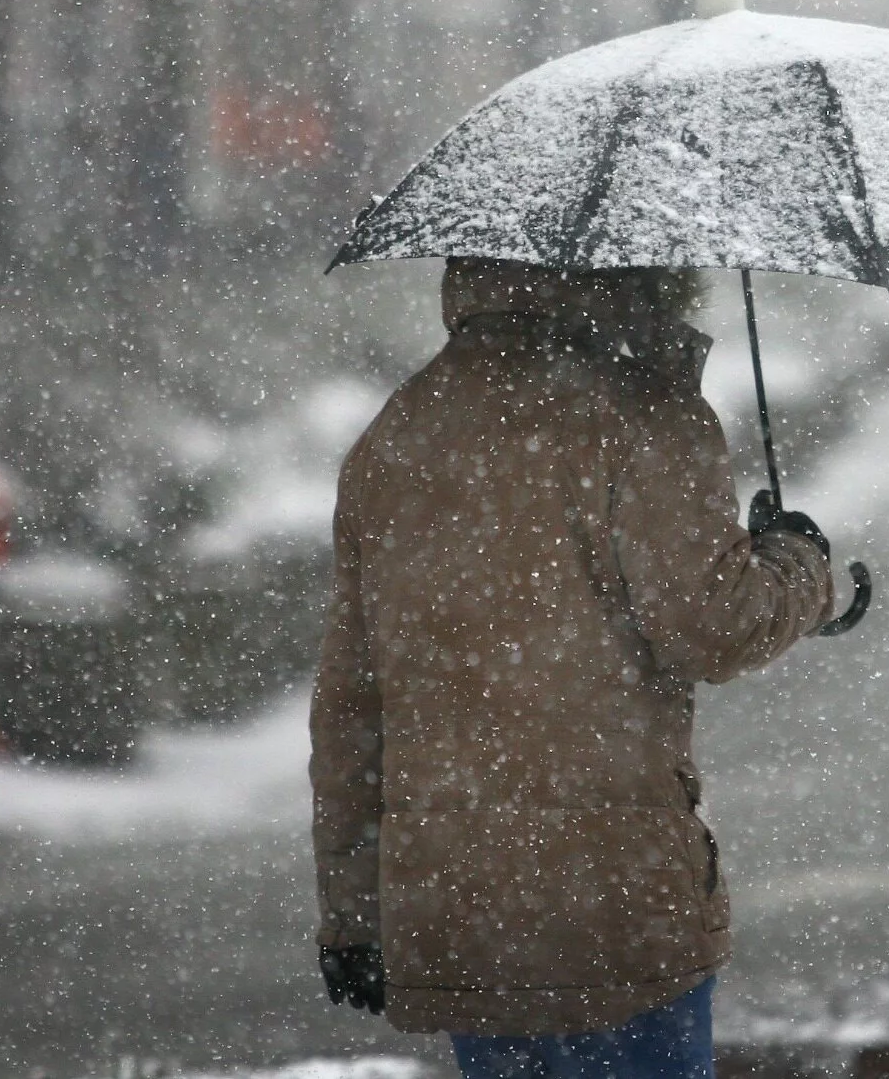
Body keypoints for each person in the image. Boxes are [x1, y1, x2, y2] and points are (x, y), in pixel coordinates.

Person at [311, 256, 835, 1079]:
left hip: (461, 909)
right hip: (615, 901)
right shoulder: (646, 416)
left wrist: (353, 913)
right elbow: (715, 626)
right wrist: (800, 563)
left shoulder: (400, 431)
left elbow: (352, 704)